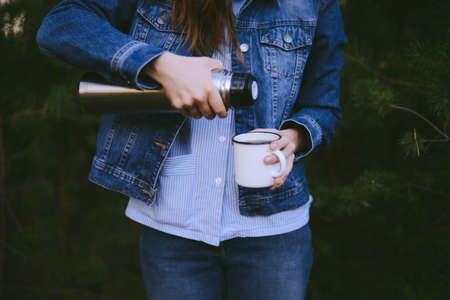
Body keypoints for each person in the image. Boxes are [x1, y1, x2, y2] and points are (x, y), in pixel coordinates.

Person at [37, 0, 346, 299]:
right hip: (173, 227)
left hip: (274, 233)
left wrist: (294, 138)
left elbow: (323, 106)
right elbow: (61, 23)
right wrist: (160, 65)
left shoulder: (312, 4)